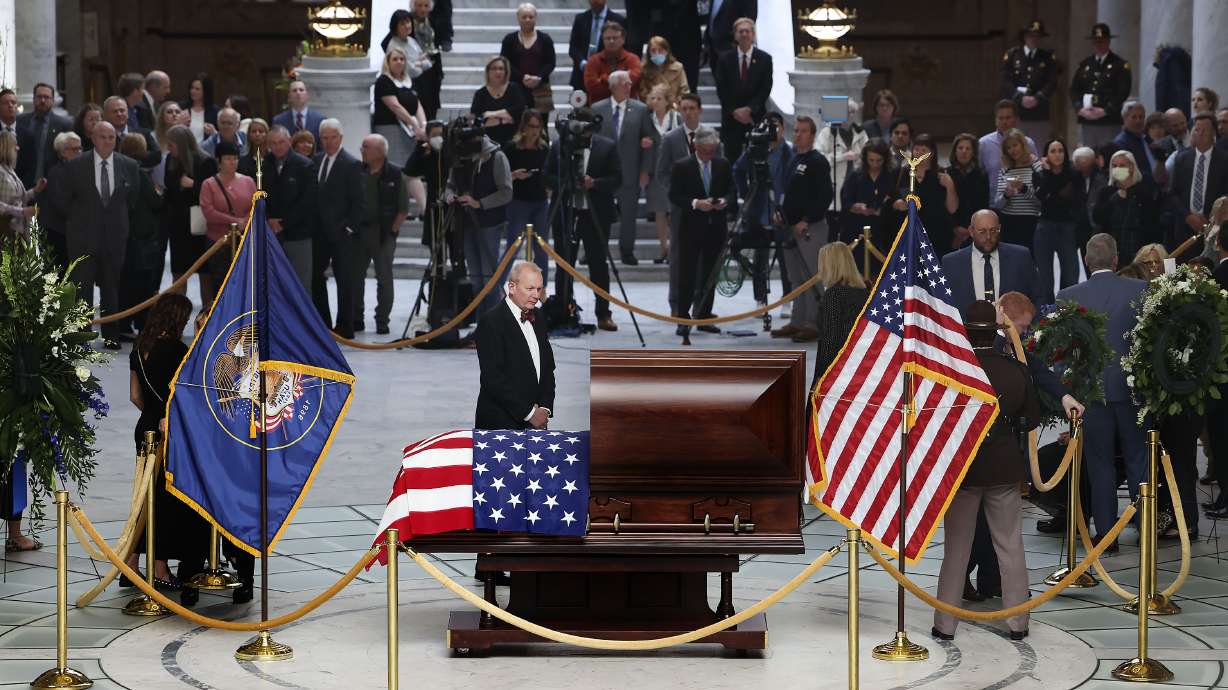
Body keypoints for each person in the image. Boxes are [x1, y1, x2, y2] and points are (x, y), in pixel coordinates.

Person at [932, 299, 1039, 643]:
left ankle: (944, 624)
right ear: (994, 333)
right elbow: (1031, 418)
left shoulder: (953, 371)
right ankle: (1018, 623)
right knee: (1009, 544)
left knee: (956, 549)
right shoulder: (1015, 369)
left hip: (964, 467)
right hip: (1004, 465)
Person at [1056, 233, 1147, 549]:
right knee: (1139, 459)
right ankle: (1145, 527)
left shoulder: (1067, 295)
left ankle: (1107, 534)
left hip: (1090, 393)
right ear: (1115, 259)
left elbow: (1064, 351)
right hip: (1133, 391)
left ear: (1085, 261)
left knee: (1099, 464)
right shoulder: (1139, 289)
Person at [127, 293, 210, 606]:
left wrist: (151, 413)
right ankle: (159, 567)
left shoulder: (139, 349)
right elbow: (185, 397)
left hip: (145, 426)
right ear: (177, 319)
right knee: (162, 501)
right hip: (168, 429)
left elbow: (135, 396)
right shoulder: (177, 351)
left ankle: (132, 561)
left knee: (144, 497)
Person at [53, 122, 139, 346]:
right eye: (103, 136)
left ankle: (111, 336)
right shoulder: (75, 165)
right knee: (83, 288)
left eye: (112, 137)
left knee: (112, 288)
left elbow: (132, 201)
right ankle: (83, 336)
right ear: (93, 137)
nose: (108, 141)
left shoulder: (128, 165)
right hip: (82, 237)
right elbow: (62, 202)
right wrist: (80, 220)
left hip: (115, 238)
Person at [545, 107, 620, 332]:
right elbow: (546, 175)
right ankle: (564, 309)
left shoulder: (607, 146)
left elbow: (617, 178)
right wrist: (566, 182)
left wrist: (594, 183)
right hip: (566, 211)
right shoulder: (559, 146)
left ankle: (603, 313)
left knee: (598, 265)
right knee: (564, 265)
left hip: (595, 212)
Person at [668, 127, 735, 342]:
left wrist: (724, 201)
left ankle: (704, 314)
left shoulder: (722, 164)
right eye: (705, 151)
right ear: (695, 146)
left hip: (716, 227)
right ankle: (683, 318)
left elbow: (732, 191)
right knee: (686, 274)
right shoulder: (682, 166)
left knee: (710, 273)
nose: (709, 155)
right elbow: (675, 195)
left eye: (712, 151)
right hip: (690, 227)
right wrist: (696, 203)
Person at [770, 115, 832, 343]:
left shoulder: (818, 161)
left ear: (813, 135)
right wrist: (782, 215)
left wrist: (807, 219)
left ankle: (813, 323)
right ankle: (798, 320)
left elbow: (825, 196)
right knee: (795, 278)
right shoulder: (794, 159)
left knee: (812, 276)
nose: (798, 135)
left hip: (810, 228)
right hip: (790, 227)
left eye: (803, 131)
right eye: (795, 131)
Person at [474, 260, 555, 430]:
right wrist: (529, 413)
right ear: (512, 287)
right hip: (500, 424)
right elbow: (493, 379)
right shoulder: (491, 322)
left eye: (539, 289)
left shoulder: (539, 316)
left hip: (537, 424)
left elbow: (548, 367)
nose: (536, 295)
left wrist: (545, 409)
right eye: (530, 288)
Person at [447, 126, 512, 319]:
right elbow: (450, 184)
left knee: (488, 276)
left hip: (489, 223)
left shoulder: (497, 157)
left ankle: (493, 320)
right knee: (475, 275)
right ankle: (480, 320)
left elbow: (506, 192)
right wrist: (450, 196)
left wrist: (480, 203)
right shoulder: (460, 154)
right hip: (465, 222)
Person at [312, 119, 367, 338]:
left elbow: (359, 201)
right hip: (319, 232)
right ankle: (323, 324)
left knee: (345, 280)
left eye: (333, 137)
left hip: (342, 233)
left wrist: (349, 229)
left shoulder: (351, 163)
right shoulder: (315, 161)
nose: (328, 141)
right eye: (324, 137)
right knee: (315, 278)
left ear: (341, 138)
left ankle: (345, 326)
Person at [732, 110, 790, 307]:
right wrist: (745, 193)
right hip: (759, 210)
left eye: (776, 126)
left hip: (782, 210)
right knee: (760, 256)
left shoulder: (787, 151)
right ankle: (760, 298)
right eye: (769, 125)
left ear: (783, 128)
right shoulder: (755, 148)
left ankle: (787, 298)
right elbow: (738, 170)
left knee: (785, 258)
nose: (773, 130)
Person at [593, 70, 652, 265]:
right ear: (613, 86)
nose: (629, 87)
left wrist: (644, 170)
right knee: (599, 214)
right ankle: (595, 249)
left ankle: (627, 251)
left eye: (629, 83)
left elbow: (648, 141)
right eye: (625, 83)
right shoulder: (597, 108)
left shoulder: (641, 109)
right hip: (603, 174)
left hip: (630, 171)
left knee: (629, 215)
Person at [655, 93, 706, 315]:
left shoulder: (710, 136)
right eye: (684, 108)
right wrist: (676, 193)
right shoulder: (670, 138)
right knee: (678, 260)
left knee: (704, 260)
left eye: (692, 108)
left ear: (700, 110)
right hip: (680, 208)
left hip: (706, 209)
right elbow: (662, 172)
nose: (688, 112)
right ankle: (677, 307)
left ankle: (702, 308)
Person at [352, 134, 408, 336]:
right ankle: (356, 317)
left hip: (384, 232)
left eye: (366, 147)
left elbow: (403, 208)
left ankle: (382, 319)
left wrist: (393, 231)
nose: (362, 150)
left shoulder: (394, 173)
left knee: (384, 278)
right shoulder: (357, 171)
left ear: (379, 152)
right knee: (356, 277)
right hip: (360, 231)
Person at [163, 124, 218, 306]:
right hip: (178, 227)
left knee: (205, 274)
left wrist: (193, 184)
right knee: (178, 275)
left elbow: (213, 192)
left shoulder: (205, 161)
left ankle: (207, 321)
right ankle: (175, 323)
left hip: (199, 226)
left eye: (171, 144)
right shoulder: (172, 160)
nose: (169, 149)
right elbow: (169, 189)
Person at [116, 134, 164, 339]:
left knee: (125, 282)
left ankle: (124, 324)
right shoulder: (139, 172)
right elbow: (155, 203)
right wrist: (159, 193)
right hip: (141, 238)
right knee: (141, 284)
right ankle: (136, 323)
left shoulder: (119, 169)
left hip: (124, 235)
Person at [941, 209, 1039, 308]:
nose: (988, 236)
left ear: (999, 228)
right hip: (965, 323)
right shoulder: (951, 263)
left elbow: (1038, 297)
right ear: (971, 231)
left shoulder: (1020, 257)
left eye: (993, 231)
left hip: (1012, 323)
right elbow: (943, 303)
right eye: (982, 232)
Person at [808, 241, 869, 395]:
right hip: (860, 366)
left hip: (837, 369)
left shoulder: (834, 295)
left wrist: (821, 376)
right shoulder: (865, 292)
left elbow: (831, 338)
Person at [199, 141, 256, 304]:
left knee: (246, 284)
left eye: (235, 158)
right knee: (221, 284)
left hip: (244, 240)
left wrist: (245, 221)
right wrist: (235, 221)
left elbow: (256, 205)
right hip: (218, 242)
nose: (233, 162)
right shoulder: (209, 184)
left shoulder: (248, 181)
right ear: (219, 161)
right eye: (228, 158)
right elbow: (209, 212)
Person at [265, 125, 317, 293]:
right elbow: (259, 196)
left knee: (300, 286)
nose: (277, 146)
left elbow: (308, 202)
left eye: (281, 142)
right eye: (273, 143)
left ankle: (300, 320)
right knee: (274, 285)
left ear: (289, 141)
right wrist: (268, 220)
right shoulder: (264, 164)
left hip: (298, 235)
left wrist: (284, 223)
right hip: (271, 234)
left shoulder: (305, 165)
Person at [714, 17, 772, 166]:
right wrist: (735, 111)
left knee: (757, 163)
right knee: (731, 163)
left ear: (753, 34)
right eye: (741, 31)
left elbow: (765, 88)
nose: (744, 34)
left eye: (747, 31)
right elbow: (722, 89)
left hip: (755, 119)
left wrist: (750, 109)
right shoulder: (724, 59)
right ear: (735, 35)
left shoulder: (765, 59)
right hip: (731, 120)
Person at [502, 110, 550, 281]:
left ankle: (541, 287)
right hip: (519, 201)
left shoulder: (544, 148)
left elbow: (548, 172)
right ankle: (497, 284)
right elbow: (502, 173)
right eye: (531, 126)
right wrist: (514, 175)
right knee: (513, 246)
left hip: (540, 201)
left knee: (542, 247)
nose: (534, 131)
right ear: (524, 126)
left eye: (538, 127)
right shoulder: (512, 148)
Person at [1168, 111, 1228, 249]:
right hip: (1184, 226)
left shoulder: (1224, 160)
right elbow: (1172, 193)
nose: (1200, 134)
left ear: (1213, 134)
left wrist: (1209, 218)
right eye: (1197, 129)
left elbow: (1225, 193)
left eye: (1205, 130)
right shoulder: (1181, 158)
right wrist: (1188, 216)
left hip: (1214, 227)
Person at [1094, 150, 1162, 268]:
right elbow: (1098, 217)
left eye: (1122, 165)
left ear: (1131, 167)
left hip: (1140, 251)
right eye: (1114, 166)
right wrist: (1115, 197)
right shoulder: (1106, 192)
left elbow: (1152, 221)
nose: (1117, 169)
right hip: (1114, 253)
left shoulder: (1144, 191)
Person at [892, 134, 958, 255]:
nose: (919, 153)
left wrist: (950, 186)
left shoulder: (942, 174)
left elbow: (952, 208)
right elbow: (892, 200)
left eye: (924, 150)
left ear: (932, 153)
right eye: (916, 149)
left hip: (937, 235)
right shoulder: (902, 173)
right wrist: (896, 204)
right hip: (909, 233)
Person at [1070, 23, 1133, 149]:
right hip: (1087, 119)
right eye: (1096, 41)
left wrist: (1106, 110)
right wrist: (1079, 108)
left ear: (1108, 42)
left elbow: (1123, 91)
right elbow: (1074, 89)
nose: (1099, 44)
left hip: (1108, 120)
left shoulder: (1119, 65)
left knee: (1108, 155)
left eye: (1102, 41)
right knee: (1087, 157)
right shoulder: (1085, 64)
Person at [1034, 137, 1080, 303]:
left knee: (1070, 272)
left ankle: (1067, 309)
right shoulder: (1040, 174)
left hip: (1067, 226)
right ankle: (1046, 311)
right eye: (1053, 151)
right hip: (1044, 226)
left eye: (1060, 151)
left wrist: (1052, 195)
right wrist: (1047, 173)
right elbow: (1041, 197)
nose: (1057, 154)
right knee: (1044, 275)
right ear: (1046, 155)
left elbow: (1071, 200)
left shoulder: (1074, 173)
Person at [644, 84, 684, 264]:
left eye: (659, 98)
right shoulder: (647, 119)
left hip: (674, 171)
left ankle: (676, 248)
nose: (655, 101)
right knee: (659, 212)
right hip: (654, 171)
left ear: (667, 101)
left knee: (673, 211)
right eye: (652, 98)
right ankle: (663, 249)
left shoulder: (676, 118)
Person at [1000, 20, 1057, 144]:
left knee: (1038, 149)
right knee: (1014, 147)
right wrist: (1020, 97)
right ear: (1025, 36)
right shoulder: (1013, 55)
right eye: (1031, 35)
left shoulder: (1047, 57)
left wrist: (1037, 98)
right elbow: (1005, 80)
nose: (1033, 39)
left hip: (1039, 112)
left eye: (1037, 36)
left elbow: (1052, 82)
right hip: (1016, 111)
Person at [839, 137, 894, 261]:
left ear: (885, 159)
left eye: (879, 161)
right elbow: (846, 201)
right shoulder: (855, 176)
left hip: (882, 232)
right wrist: (856, 207)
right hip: (856, 231)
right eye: (871, 160)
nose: (874, 164)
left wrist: (882, 208)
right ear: (865, 158)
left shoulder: (890, 176)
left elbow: (893, 201)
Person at [374, 47, 428, 166]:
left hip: (410, 129)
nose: (399, 62)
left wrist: (423, 125)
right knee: (396, 165)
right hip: (391, 128)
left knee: (410, 166)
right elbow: (395, 106)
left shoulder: (409, 81)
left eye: (402, 59)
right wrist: (414, 125)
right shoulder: (383, 81)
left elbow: (417, 104)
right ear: (388, 62)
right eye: (395, 59)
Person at [992, 128, 1043, 252]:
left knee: (1031, 262)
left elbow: (1042, 200)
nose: (1012, 150)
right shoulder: (1005, 169)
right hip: (1009, 222)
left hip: (1031, 221)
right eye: (1008, 147)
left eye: (1015, 145)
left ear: (1023, 145)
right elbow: (997, 204)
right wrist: (1006, 195)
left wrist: (1023, 188)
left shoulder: (1035, 166)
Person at [38, 132, 82, 272]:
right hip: (57, 233)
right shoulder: (56, 172)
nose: (79, 152)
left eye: (80, 148)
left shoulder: (80, 170)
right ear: (62, 152)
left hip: (71, 232)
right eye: (74, 149)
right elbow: (62, 204)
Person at [501, 3, 557, 113]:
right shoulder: (509, 39)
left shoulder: (545, 39)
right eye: (524, 17)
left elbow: (551, 62)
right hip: (515, 87)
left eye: (531, 17)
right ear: (518, 18)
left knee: (541, 124)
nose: (527, 20)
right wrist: (522, 77)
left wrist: (539, 77)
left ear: (536, 18)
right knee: (516, 123)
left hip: (541, 88)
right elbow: (505, 62)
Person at [15, 83, 73, 188]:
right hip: (23, 184)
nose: (42, 101)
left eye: (46, 97)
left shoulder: (64, 124)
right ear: (33, 99)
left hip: (52, 184)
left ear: (53, 100)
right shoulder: (20, 121)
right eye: (39, 97)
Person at [979, 100, 1039, 197]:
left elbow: (1037, 176)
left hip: (1024, 202)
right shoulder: (984, 143)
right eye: (1000, 118)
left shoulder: (1028, 143)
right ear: (995, 120)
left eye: (1008, 118)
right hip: (994, 203)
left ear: (1016, 119)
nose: (1004, 122)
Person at [816, 101, 867, 213]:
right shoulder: (827, 132)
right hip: (834, 183)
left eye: (853, 112)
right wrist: (842, 157)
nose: (850, 115)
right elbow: (819, 159)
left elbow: (868, 156)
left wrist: (859, 156)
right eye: (847, 112)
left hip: (856, 183)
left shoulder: (861, 133)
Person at [567, 0, 627, 93]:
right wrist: (583, 63)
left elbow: (623, 48)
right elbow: (573, 47)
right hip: (582, 77)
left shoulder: (618, 20)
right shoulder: (580, 19)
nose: (595, 1)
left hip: (606, 76)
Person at [471, 56, 526, 148]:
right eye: (494, 68)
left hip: (513, 138)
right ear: (488, 71)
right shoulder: (480, 93)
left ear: (506, 71)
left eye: (501, 69)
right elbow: (477, 117)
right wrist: (504, 118)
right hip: (487, 140)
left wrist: (491, 114)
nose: (498, 72)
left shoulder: (514, 88)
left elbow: (519, 111)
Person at [584, 21, 642, 104]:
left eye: (615, 38)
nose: (611, 41)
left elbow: (633, 80)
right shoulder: (593, 61)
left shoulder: (633, 59)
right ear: (603, 40)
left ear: (623, 39)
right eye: (607, 38)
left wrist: (603, 78)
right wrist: (622, 79)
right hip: (600, 108)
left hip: (628, 108)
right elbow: (592, 87)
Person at [947, 133, 988, 251]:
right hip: (951, 231)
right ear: (955, 151)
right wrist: (954, 228)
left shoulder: (981, 175)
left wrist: (972, 230)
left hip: (976, 231)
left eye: (968, 148)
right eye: (960, 148)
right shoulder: (946, 174)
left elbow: (983, 204)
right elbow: (943, 207)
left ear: (973, 152)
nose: (964, 151)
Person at [0, 131, 43, 240]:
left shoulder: (8, 169)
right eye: (14, 145)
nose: (17, 148)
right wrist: (22, 211)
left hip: (16, 229)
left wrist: (35, 191)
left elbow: (17, 198)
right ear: (5, 147)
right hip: (4, 230)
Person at [705, 0, 757, 82]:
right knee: (721, 87)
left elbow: (750, 19)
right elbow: (712, 16)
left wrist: (739, 42)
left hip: (733, 47)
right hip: (713, 47)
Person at [102, 95, 161, 168]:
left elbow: (157, 156)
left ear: (128, 113)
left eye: (122, 110)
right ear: (106, 115)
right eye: (115, 111)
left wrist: (136, 160)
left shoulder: (144, 133)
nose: (119, 114)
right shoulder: (102, 137)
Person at [410, 0, 445, 119]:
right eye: (419, 6)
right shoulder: (407, 21)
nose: (423, 9)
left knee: (431, 104)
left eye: (426, 6)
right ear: (414, 6)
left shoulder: (433, 21)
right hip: (415, 69)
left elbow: (438, 41)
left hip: (432, 69)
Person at [380, 9, 433, 85]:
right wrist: (420, 63)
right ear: (395, 27)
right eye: (402, 24)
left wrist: (417, 63)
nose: (407, 26)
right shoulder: (394, 46)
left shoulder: (411, 40)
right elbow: (410, 70)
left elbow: (427, 61)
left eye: (408, 22)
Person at [1112, 101, 1157, 183]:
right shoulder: (1120, 144)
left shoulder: (1147, 138)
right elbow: (1122, 175)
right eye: (1134, 117)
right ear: (1124, 118)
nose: (1138, 121)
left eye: (1141, 117)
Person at [639, 35, 690, 108]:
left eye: (660, 50)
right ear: (649, 53)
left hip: (675, 109)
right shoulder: (644, 69)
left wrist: (675, 106)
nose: (657, 53)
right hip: (653, 109)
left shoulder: (678, 67)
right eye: (653, 51)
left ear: (667, 51)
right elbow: (643, 93)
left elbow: (684, 91)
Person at [272, 81, 325, 145]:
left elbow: (323, 147)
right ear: (289, 97)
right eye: (294, 90)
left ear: (307, 95)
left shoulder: (320, 120)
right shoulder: (278, 121)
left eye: (301, 90)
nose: (298, 93)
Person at [151, 100, 182, 188]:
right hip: (158, 187)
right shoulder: (152, 137)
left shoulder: (186, 137)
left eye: (177, 112)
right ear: (162, 117)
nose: (174, 114)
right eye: (169, 112)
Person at [181, 73, 219, 143]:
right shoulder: (182, 107)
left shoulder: (215, 111)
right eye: (192, 88)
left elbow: (220, 136)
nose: (193, 91)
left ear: (206, 91)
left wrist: (214, 133)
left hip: (206, 151)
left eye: (197, 89)